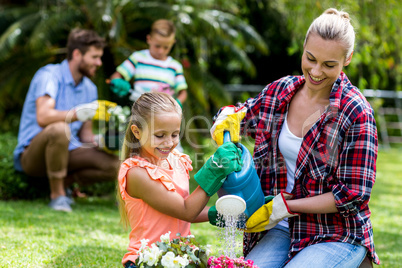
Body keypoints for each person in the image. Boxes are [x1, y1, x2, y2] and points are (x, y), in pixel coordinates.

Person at [210, 8, 379, 268]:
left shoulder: (356, 112)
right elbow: (240, 114)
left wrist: (284, 207)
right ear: (303, 48)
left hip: (336, 233)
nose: (316, 71)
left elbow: (352, 194)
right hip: (280, 229)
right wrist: (225, 118)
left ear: (348, 59)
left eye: (329, 64)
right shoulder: (281, 91)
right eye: (310, 58)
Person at [116, 92, 242, 268]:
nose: (168, 142)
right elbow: (186, 211)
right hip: (147, 261)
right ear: (137, 132)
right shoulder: (136, 172)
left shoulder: (176, 160)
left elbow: (183, 209)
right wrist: (214, 170)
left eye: (174, 134)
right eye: (160, 135)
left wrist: (223, 214)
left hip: (181, 258)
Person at [13, 28, 120, 212]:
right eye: (94, 57)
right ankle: (57, 196)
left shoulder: (90, 88)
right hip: (33, 155)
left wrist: (104, 142)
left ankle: (65, 184)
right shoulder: (49, 76)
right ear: (77, 54)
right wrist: (77, 113)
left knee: (116, 165)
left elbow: (85, 135)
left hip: (68, 153)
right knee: (59, 129)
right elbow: (43, 116)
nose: (99, 63)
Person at [109, 19, 187, 107]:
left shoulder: (175, 66)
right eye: (157, 46)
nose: (161, 51)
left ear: (173, 43)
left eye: (166, 47)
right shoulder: (138, 58)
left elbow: (183, 93)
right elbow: (115, 76)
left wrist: (176, 104)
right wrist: (117, 82)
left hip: (163, 113)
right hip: (140, 110)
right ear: (149, 39)